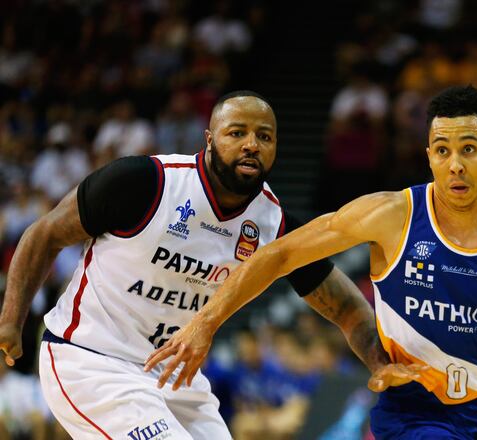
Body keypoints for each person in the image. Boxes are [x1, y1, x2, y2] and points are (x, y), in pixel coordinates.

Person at [147, 86, 477, 439]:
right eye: (443, 151)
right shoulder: (390, 216)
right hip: (412, 408)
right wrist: (206, 323)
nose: (455, 164)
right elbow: (279, 253)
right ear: (429, 157)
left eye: (469, 149)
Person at [0, 91, 415, 439]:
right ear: (210, 139)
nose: (251, 144)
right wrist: (10, 321)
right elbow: (45, 233)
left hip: (176, 377)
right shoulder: (146, 182)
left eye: (264, 136)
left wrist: (379, 361)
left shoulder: (274, 225)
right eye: (237, 133)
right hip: (92, 359)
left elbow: (346, 307)